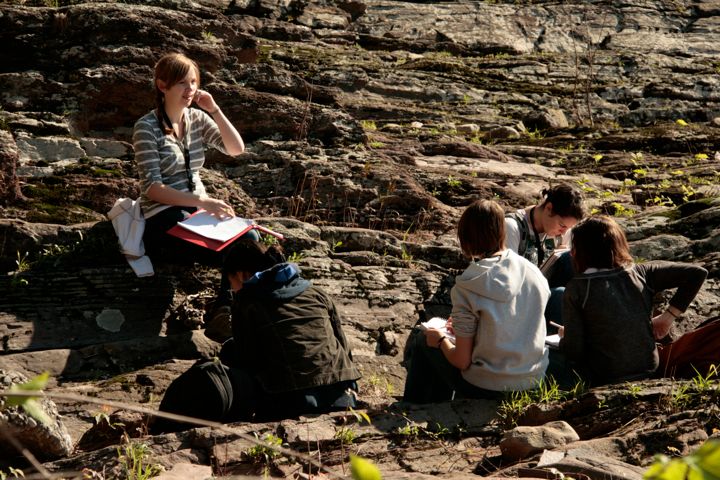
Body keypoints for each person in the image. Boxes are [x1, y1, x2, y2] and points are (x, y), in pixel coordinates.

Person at [132, 52, 257, 342]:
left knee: (250, 240)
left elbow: (235, 149)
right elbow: (152, 188)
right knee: (229, 250)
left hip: (197, 216)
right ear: (162, 85)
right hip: (163, 216)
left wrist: (215, 110)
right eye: (182, 83)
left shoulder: (198, 119)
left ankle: (227, 311)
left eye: (193, 82)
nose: (190, 89)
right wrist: (203, 202)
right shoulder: (146, 127)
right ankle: (227, 313)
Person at [403, 200, 550, 403]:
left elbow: (461, 361)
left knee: (424, 339)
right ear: (502, 231)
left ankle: (416, 407)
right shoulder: (534, 272)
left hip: (487, 387)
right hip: (531, 381)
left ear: (466, 238)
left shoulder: (469, 284)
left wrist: (441, 339)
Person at [222, 238, 361, 420]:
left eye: (230, 282)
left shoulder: (247, 302)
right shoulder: (316, 292)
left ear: (241, 275)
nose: (232, 290)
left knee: (229, 351)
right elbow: (343, 346)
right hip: (343, 392)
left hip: (292, 401)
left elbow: (248, 357)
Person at [559, 216, 708, 386]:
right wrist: (668, 317)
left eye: (574, 247)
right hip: (649, 366)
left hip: (605, 375)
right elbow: (697, 273)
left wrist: (565, 337)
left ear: (581, 251)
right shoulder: (641, 273)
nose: (571, 253)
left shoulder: (577, 288)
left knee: (552, 357)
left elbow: (574, 352)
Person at [504, 183, 586, 329]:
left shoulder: (563, 231)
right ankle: (556, 340)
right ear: (549, 208)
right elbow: (507, 278)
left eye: (568, 228)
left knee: (571, 259)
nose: (563, 232)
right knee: (561, 295)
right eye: (562, 226)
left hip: (545, 290)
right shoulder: (512, 226)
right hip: (521, 300)